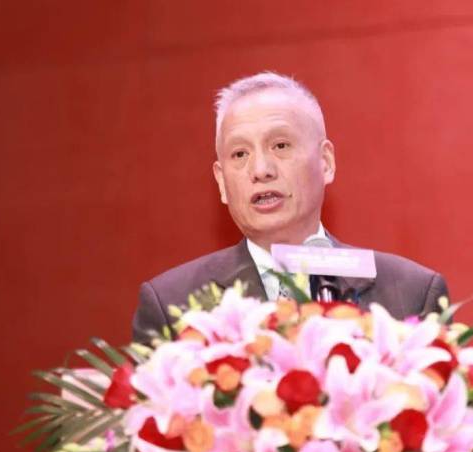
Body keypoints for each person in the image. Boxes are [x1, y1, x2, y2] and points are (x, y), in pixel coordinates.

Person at [132, 72, 448, 345]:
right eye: (240, 154)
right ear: (222, 182)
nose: (260, 170)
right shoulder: (172, 304)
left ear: (325, 163)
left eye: (280, 146)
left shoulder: (410, 293)